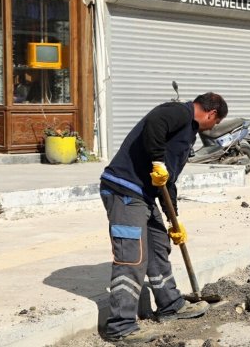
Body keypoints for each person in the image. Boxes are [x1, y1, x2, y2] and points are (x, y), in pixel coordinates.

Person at [99, 92, 227, 343]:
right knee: (131, 258)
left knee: (159, 245)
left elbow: (167, 181)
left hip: (143, 196)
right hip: (124, 190)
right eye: (217, 123)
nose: (214, 127)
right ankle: (121, 325)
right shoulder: (179, 112)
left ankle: (170, 304)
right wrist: (157, 161)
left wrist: (173, 220)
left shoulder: (188, 131)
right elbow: (155, 123)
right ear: (211, 115)